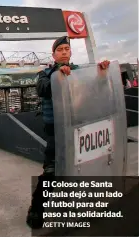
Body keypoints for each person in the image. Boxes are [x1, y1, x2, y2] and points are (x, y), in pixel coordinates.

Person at [26, 36, 111, 229]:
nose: (64, 52)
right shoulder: (45, 73)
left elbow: (96, 89)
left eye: (67, 49)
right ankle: (36, 210)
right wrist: (59, 74)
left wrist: (102, 73)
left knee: (83, 168)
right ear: (54, 54)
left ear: (70, 52)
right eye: (60, 49)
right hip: (56, 131)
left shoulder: (79, 72)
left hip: (79, 128)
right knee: (51, 172)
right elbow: (43, 89)